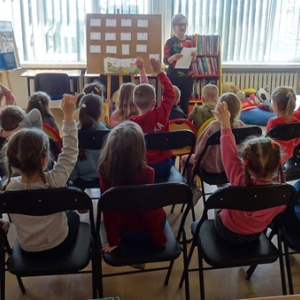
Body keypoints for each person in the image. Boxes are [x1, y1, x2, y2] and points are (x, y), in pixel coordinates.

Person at [2, 93, 79, 254]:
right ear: (45, 160)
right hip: (59, 242)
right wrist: (68, 115)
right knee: (74, 217)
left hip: (27, 247)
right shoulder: (55, 180)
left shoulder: (7, 188)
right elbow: (70, 151)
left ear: (12, 163)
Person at [212, 100, 285, 243]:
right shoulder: (283, 190)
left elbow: (228, 152)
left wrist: (225, 122)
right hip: (256, 234)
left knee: (221, 198)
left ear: (247, 163)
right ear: (277, 163)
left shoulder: (239, 179)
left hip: (226, 231)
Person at [99, 120, 167, 253]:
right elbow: (149, 213)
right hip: (146, 233)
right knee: (158, 209)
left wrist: (113, 240)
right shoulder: (147, 172)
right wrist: (159, 239)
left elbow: (108, 208)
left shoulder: (104, 169)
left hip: (124, 232)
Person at [181, 93, 244, 205]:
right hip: (233, 169)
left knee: (185, 159)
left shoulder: (213, 126)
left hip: (211, 169)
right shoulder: (241, 125)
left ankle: (194, 188)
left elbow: (200, 149)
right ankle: (223, 186)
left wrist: (196, 166)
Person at [129, 58, 175, 177]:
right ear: (154, 102)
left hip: (141, 167)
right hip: (163, 165)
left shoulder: (131, 124)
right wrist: (159, 72)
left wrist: (141, 69)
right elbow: (170, 92)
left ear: (134, 103)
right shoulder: (161, 113)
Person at [69, 93, 107, 184]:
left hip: (78, 181)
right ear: (100, 113)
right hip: (103, 180)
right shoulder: (107, 133)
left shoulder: (71, 132)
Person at [163, 13, 196, 116]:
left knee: (185, 103)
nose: (183, 27)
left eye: (185, 24)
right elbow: (165, 61)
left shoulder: (190, 41)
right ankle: (170, 124)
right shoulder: (170, 42)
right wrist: (173, 58)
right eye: (180, 24)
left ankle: (184, 125)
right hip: (173, 77)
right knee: (171, 102)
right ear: (174, 26)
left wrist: (194, 58)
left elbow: (192, 58)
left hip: (188, 77)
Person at [110, 56, 148, 128]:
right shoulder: (141, 115)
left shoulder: (114, 117)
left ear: (120, 98)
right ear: (136, 97)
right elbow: (145, 89)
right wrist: (141, 69)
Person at [266, 86, 300, 162]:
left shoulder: (272, 122)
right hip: (293, 158)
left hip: (275, 159)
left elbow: (267, 142)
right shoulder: (297, 118)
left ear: (275, 104)